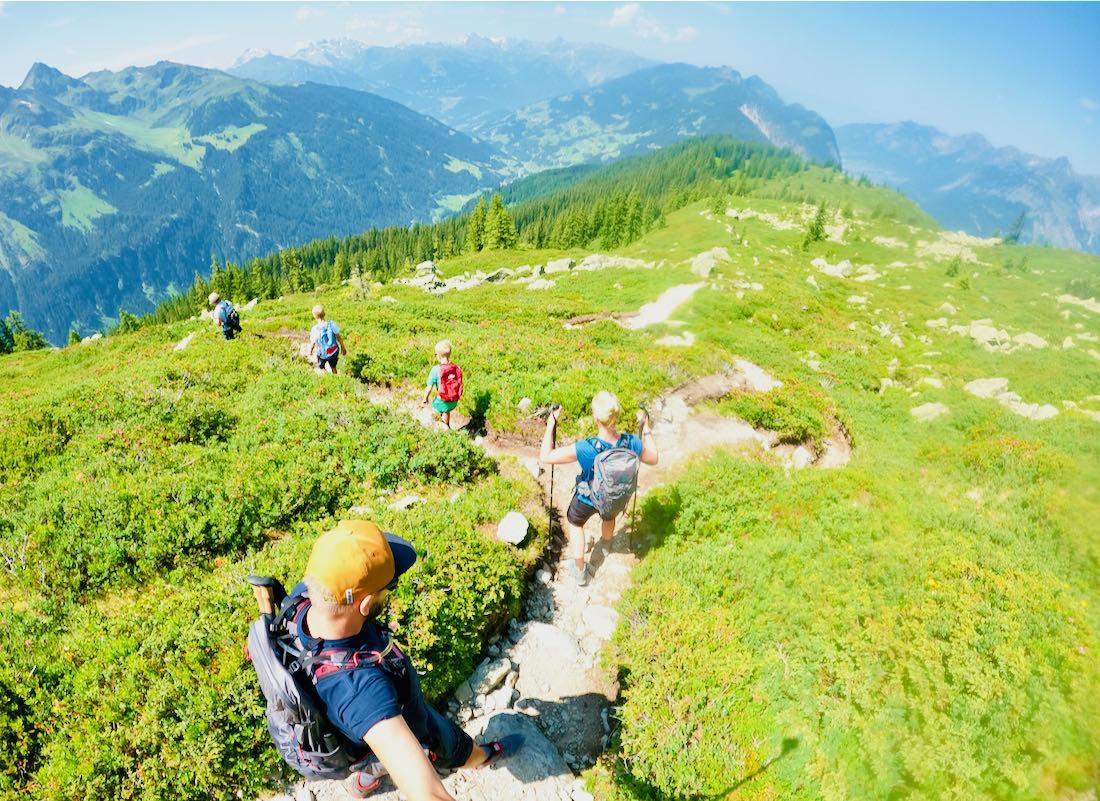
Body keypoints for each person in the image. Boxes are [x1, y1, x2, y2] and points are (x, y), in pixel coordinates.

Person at [293, 520, 506, 799]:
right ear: (366, 604)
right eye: (389, 587)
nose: (392, 590)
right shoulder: (362, 693)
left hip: (351, 732)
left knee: (375, 751)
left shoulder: (300, 603)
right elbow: (429, 795)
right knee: (448, 743)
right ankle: (482, 757)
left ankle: (366, 778)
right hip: (411, 723)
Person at [539, 391, 658, 586]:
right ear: (616, 416)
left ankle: (579, 572)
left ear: (595, 417)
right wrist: (645, 428)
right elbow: (653, 458)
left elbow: (546, 456)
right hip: (614, 498)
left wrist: (551, 422)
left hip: (587, 499)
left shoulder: (586, 447)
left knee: (576, 523)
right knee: (609, 515)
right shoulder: (632, 442)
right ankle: (605, 544)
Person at [422, 340, 463, 429]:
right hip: (454, 401)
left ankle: (440, 430)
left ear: (439, 355)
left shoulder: (435, 369)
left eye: (435, 354)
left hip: (442, 401)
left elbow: (429, 388)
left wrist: (424, 399)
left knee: (433, 413)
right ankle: (447, 426)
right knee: (445, 410)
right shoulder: (456, 368)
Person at [309, 304, 347, 375]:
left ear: (315, 316)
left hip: (322, 354)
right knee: (333, 367)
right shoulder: (331, 324)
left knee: (321, 367)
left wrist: (310, 351)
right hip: (333, 352)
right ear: (324, 313)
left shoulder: (315, 329)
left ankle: (327, 379)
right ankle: (335, 378)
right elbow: (338, 337)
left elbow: (313, 343)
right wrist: (343, 347)